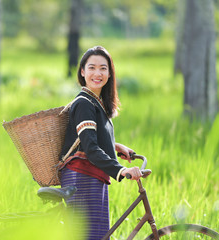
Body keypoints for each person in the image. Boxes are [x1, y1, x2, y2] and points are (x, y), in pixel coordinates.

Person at [58, 46, 142, 240]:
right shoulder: (84, 103)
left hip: (91, 176)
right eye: (92, 67)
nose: (97, 73)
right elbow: (90, 148)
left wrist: (115, 146)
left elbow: (90, 138)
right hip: (82, 178)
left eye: (103, 68)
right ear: (82, 71)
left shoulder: (95, 102)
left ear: (110, 73)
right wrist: (121, 170)